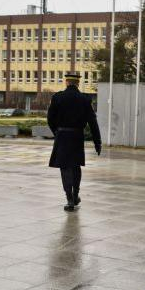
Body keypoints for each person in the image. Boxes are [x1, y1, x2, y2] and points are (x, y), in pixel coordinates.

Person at [47, 72, 102, 211]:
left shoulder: (58, 97)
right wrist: (97, 142)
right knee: (76, 166)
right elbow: (92, 122)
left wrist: (57, 132)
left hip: (62, 136)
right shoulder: (84, 99)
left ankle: (69, 199)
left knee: (65, 168)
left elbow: (50, 119)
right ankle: (76, 195)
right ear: (77, 83)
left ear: (66, 82)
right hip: (77, 136)